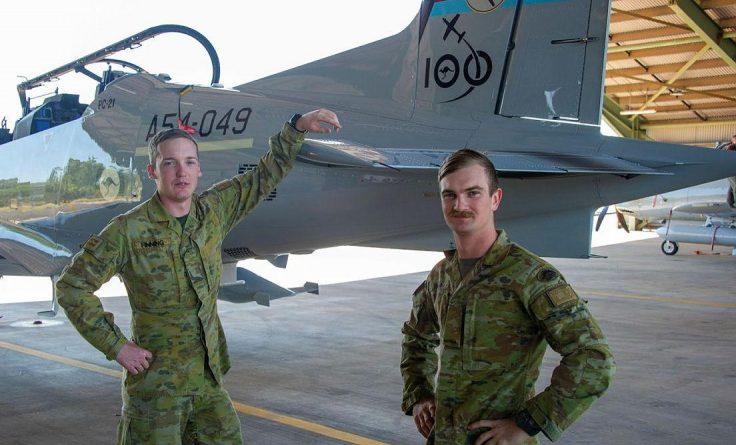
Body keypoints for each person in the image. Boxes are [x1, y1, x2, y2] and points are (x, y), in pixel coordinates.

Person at [56, 109, 341, 444]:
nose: (181, 172)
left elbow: (263, 177)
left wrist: (296, 127)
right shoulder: (128, 231)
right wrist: (117, 346)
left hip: (207, 380)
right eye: (169, 163)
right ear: (153, 171)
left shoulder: (213, 211)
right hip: (156, 390)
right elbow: (72, 287)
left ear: (199, 169)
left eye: (189, 162)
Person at [400, 149, 615, 445]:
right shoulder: (441, 275)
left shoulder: (530, 276)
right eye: (449, 195)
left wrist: (528, 423)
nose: (460, 204)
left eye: (472, 193)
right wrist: (420, 394)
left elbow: (593, 358)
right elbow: (417, 337)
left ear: (495, 198)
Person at [716, 135, 736, 207]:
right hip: (731, 169)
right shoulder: (729, 146)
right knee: (734, 185)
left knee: (733, 186)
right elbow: (717, 151)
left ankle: (730, 203)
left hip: (731, 169)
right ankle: (731, 203)